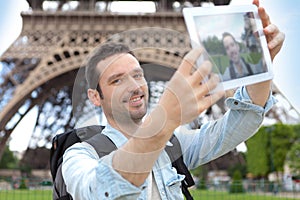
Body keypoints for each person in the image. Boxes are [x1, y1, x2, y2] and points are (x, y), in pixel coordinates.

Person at [62, 0, 285, 199]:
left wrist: (261, 67)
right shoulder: (79, 155)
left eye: (138, 75)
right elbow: (97, 191)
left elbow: (241, 122)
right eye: (117, 80)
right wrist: (165, 118)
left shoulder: (174, 145)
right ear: (95, 97)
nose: (134, 86)